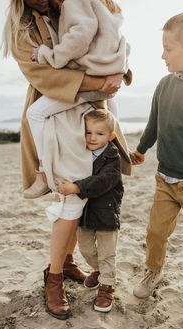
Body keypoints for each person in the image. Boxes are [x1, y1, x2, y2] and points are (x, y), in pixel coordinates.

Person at [2, 0, 132, 320]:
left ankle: (69, 261)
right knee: (69, 203)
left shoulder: (75, 7)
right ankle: (54, 278)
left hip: (92, 118)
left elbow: (111, 34)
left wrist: (117, 69)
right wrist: (101, 81)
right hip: (61, 121)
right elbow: (43, 76)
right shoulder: (22, 30)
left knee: (86, 198)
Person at [132, 10, 183, 321]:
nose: (162, 55)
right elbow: (154, 123)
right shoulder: (163, 85)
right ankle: (153, 272)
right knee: (156, 232)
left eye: (168, 48)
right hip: (165, 178)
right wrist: (141, 149)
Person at [26, 0, 131, 198]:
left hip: (90, 81)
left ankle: (43, 172)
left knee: (35, 113)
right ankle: (117, 151)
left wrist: (48, 54)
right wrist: (119, 68)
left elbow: (81, 34)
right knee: (108, 115)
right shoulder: (99, 5)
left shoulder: (73, 2)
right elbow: (123, 41)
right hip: (107, 79)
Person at [58, 108, 123, 313]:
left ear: (110, 136)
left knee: (107, 253)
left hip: (106, 212)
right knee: (86, 250)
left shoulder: (112, 157)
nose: (93, 137)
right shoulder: (80, 154)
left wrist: (77, 187)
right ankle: (98, 270)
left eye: (100, 133)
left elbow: (104, 181)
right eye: (88, 132)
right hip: (84, 213)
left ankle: (106, 287)